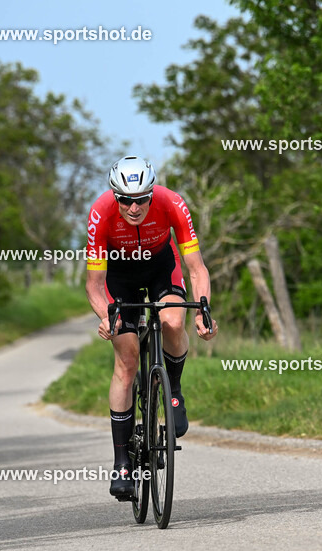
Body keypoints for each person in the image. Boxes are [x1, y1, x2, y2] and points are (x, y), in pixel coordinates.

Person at [85, 156, 218, 500]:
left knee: (173, 320)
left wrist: (203, 309)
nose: (133, 207)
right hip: (120, 276)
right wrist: (105, 315)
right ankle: (122, 464)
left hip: (161, 266)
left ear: (151, 192)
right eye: (125, 199)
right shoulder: (100, 212)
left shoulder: (172, 202)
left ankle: (173, 390)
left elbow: (196, 268)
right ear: (114, 196)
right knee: (126, 361)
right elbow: (95, 284)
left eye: (141, 198)